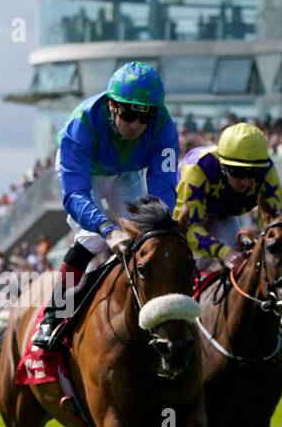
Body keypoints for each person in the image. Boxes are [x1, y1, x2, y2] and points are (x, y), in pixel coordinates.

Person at [31, 61, 180, 348]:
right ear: (112, 106)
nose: (135, 124)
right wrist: (108, 230)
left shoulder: (164, 125)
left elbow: (163, 186)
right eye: (128, 113)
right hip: (86, 175)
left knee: (147, 235)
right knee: (92, 239)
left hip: (125, 174)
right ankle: (53, 313)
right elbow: (75, 195)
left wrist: (156, 225)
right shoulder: (83, 122)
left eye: (144, 116)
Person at [173, 122, 282, 271]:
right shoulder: (198, 168)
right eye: (237, 172)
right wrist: (223, 252)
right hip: (180, 211)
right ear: (223, 166)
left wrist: (258, 242)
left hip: (222, 214)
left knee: (240, 259)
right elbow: (187, 226)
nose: (245, 181)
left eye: (252, 173)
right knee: (196, 262)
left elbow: (275, 224)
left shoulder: (267, 170)